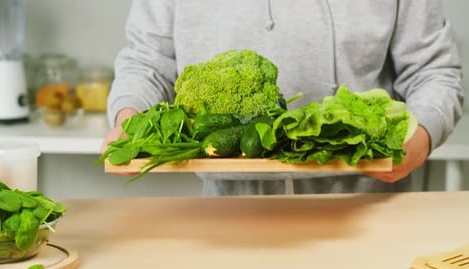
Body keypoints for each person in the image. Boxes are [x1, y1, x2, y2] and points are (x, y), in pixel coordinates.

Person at [102, 0, 464, 195]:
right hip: (226, 214)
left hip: (367, 205)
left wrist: (419, 139)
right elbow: (148, 61)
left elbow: (435, 73)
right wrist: (128, 118)